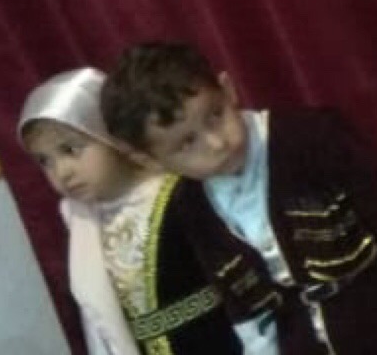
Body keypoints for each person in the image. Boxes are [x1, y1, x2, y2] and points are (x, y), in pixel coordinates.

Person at [101, 41, 377, 355]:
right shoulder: (191, 207)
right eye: (187, 143)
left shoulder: (313, 136)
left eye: (215, 115)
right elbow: (244, 309)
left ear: (227, 88)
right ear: (154, 161)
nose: (216, 143)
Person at [19, 66, 239, 355]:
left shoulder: (180, 193)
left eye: (71, 150)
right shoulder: (83, 221)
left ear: (108, 135)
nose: (62, 172)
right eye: (45, 161)